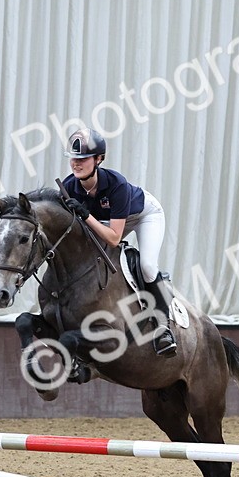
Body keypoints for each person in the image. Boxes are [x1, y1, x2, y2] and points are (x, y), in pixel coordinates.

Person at [60, 127, 178, 356]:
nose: (76, 163)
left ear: (98, 159)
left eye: (83, 158)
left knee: (147, 266)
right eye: (74, 158)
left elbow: (114, 238)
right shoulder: (69, 187)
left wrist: (85, 216)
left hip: (144, 215)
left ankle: (163, 326)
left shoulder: (117, 185)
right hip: (106, 220)